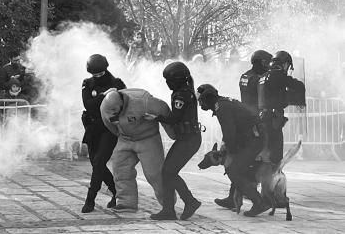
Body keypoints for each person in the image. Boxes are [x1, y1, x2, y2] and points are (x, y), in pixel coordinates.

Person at [197, 84, 270, 217]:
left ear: (208, 98)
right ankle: (232, 199)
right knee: (235, 166)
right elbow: (231, 132)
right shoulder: (222, 104)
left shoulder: (222, 108)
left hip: (254, 138)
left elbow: (229, 133)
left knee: (234, 170)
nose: (200, 102)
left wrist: (229, 150)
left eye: (201, 99)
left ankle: (259, 202)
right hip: (250, 136)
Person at [101, 89, 176, 212]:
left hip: (148, 138)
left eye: (115, 110)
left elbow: (163, 109)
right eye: (110, 111)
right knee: (120, 169)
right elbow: (107, 123)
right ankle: (126, 203)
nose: (113, 114)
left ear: (121, 103)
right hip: (125, 139)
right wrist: (119, 134)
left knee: (155, 174)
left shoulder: (142, 101)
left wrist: (173, 132)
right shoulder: (106, 106)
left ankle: (168, 202)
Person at [215, 50, 272, 209]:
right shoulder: (260, 79)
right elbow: (263, 101)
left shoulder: (244, 76)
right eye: (266, 62)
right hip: (254, 123)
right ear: (260, 62)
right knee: (249, 163)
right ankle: (260, 198)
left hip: (243, 121)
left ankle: (233, 197)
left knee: (238, 161)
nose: (268, 66)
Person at [146, 62, 202, 220]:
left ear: (177, 80)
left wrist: (156, 117)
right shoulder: (185, 91)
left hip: (188, 140)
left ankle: (188, 202)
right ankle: (170, 209)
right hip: (188, 138)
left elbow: (174, 118)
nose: (167, 84)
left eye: (169, 80)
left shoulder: (181, 95)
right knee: (167, 172)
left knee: (168, 172)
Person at [81, 54, 126, 213]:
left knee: (100, 161)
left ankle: (90, 199)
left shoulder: (117, 83)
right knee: (96, 163)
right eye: (95, 74)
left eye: (101, 73)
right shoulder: (87, 83)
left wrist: (114, 95)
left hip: (109, 128)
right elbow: (89, 105)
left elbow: (125, 105)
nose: (98, 77)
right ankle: (116, 192)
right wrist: (104, 95)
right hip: (93, 128)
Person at [257, 51, 305, 164]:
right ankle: (273, 176)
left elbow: (274, 95)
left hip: (262, 117)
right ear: (284, 64)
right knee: (275, 153)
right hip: (273, 119)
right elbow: (297, 85)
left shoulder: (263, 76)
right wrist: (299, 101)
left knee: (265, 149)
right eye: (287, 66)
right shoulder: (278, 75)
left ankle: (265, 175)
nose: (287, 69)